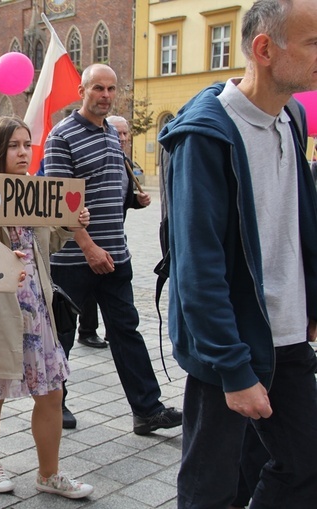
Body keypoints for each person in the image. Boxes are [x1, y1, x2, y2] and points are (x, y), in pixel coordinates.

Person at [158, 0, 317, 506]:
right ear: (265, 48)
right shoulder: (205, 133)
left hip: (287, 335)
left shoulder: (291, 115)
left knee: (304, 465)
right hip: (231, 344)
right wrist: (231, 367)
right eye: (313, 42)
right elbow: (197, 267)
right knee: (212, 485)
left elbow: (299, 218)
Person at [43, 63, 181, 436]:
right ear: (82, 90)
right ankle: (54, 405)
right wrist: (88, 248)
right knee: (63, 335)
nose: (105, 95)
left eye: (111, 89)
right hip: (74, 258)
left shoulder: (110, 135)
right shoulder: (62, 136)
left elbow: (106, 190)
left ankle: (147, 410)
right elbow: (59, 203)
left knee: (127, 331)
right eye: (97, 88)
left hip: (116, 255)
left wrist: (132, 199)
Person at [0, 116, 93, 499]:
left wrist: (70, 224)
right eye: (14, 146)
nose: (23, 153)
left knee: (52, 393)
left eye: (27, 144)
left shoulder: (36, 192)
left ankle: (49, 473)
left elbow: (47, 244)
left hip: (37, 308)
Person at [74, 115, 152, 351]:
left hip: (116, 235)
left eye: (125, 133)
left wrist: (137, 201)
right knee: (88, 287)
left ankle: (112, 328)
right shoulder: (96, 157)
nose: (122, 137)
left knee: (114, 292)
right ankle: (87, 330)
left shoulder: (124, 160)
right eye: (117, 132)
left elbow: (121, 198)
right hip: (89, 232)